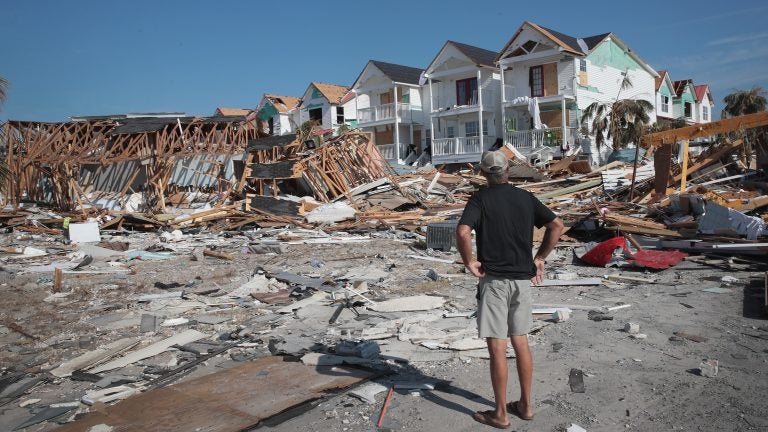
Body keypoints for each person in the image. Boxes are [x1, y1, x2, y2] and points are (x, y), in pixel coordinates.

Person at [456, 150, 564, 429]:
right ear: (508, 171)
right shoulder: (525, 198)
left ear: (482, 172)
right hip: (521, 281)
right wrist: (539, 258)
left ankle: (501, 413)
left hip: (494, 281)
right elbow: (556, 225)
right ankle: (526, 406)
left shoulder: (480, 199)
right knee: (521, 340)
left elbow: (462, 231)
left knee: (497, 346)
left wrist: (469, 261)